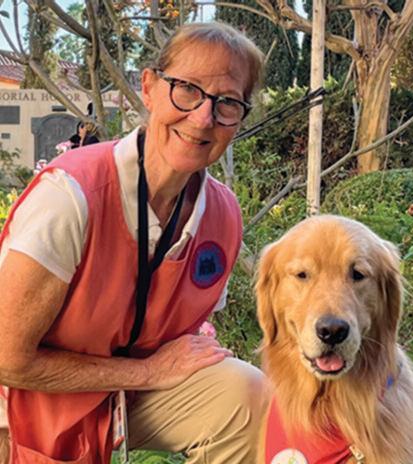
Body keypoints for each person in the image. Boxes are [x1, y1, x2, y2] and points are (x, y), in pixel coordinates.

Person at [0, 22, 267, 464]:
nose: (203, 117)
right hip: (26, 395)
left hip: (126, 390)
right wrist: (146, 371)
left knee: (246, 395)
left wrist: (157, 368)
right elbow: (7, 358)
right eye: (187, 89)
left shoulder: (222, 216)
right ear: (148, 88)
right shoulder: (70, 195)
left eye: (227, 103)